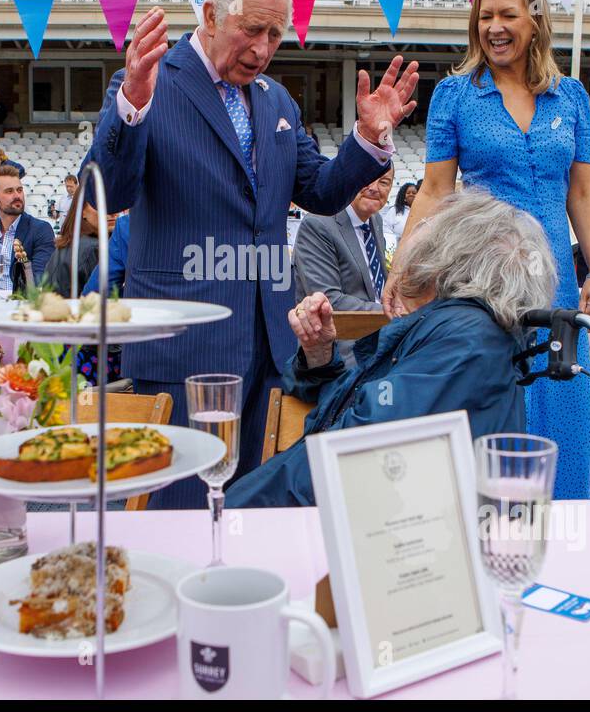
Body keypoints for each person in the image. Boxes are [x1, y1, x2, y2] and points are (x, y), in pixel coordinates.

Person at [83, 0, 417, 507]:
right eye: (251, 30)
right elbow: (110, 193)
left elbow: (320, 190)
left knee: (260, 519)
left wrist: (366, 139)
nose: (262, 49)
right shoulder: (147, 84)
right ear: (212, 15)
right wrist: (131, 108)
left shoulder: (277, 100)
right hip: (183, 356)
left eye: (275, 33)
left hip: (271, 353)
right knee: (178, 523)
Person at [391, 0, 590, 500]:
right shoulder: (455, 95)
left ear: (534, 22)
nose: (494, 27)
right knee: (493, 392)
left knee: (560, 396)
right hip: (484, 277)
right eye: (484, 17)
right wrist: (403, 264)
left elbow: (582, 191)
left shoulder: (572, 96)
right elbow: (437, 191)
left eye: (507, 15)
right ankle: (486, 528)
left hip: (554, 277)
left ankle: (566, 525)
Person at [228, 191, 555, 507]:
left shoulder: (466, 340)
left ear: (448, 261)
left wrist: (239, 510)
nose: (408, 258)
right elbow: (347, 415)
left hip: (348, 529)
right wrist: (319, 354)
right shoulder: (452, 329)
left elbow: (352, 453)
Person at [292, 165, 392, 366]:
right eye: (368, 178)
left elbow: (376, 286)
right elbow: (329, 302)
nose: (374, 188)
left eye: (384, 182)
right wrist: (390, 313)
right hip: (339, 350)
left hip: (381, 340)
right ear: (351, 180)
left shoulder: (375, 220)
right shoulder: (318, 224)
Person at [0, 165, 55, 292]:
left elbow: (39, 279)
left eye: (19, 190)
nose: (17, 196)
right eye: (9, 191)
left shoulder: (41, 230)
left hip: (21, 305)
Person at [46, 202, 102, 298]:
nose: (112, 212)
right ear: (83, 211)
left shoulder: (67, 244)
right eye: (100, 205)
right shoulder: (94, 248)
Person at [381, 181, 417, 251]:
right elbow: (385, 228)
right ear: (403, 196)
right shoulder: (394, 210)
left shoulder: (422, 210)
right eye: (408, 193)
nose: (411, 194)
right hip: (398, 248)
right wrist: (397, 238)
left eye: (414, 193)